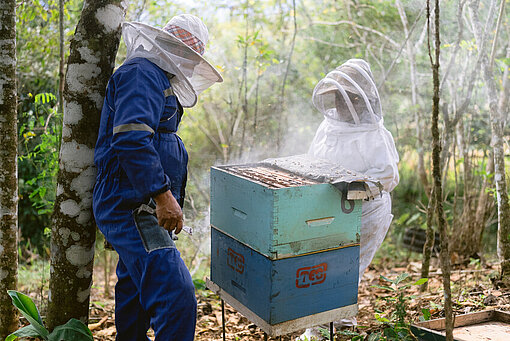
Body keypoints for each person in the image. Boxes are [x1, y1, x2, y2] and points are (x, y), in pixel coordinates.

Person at [93, 14, 222, 340]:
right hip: (135, 204)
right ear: (171, 48)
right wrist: (162, 196)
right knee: (177, 297)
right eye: (190, 57)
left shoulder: (152, 76)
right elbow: (131, 138)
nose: (191, 67)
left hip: (138, 201)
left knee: (135, 290)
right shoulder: (142, 74)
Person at [299, 59, 399, 340]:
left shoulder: (375, 135)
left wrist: (354, 186)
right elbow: (313, 160)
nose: (342, 104)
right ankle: (321, 329)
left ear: (361, 99)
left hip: (365, 213)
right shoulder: (327, 127)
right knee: (322, 269)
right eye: (339, 97)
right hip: (330, 210)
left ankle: (338, 330)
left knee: (344, 271)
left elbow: (388, 177)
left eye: (349, 98)